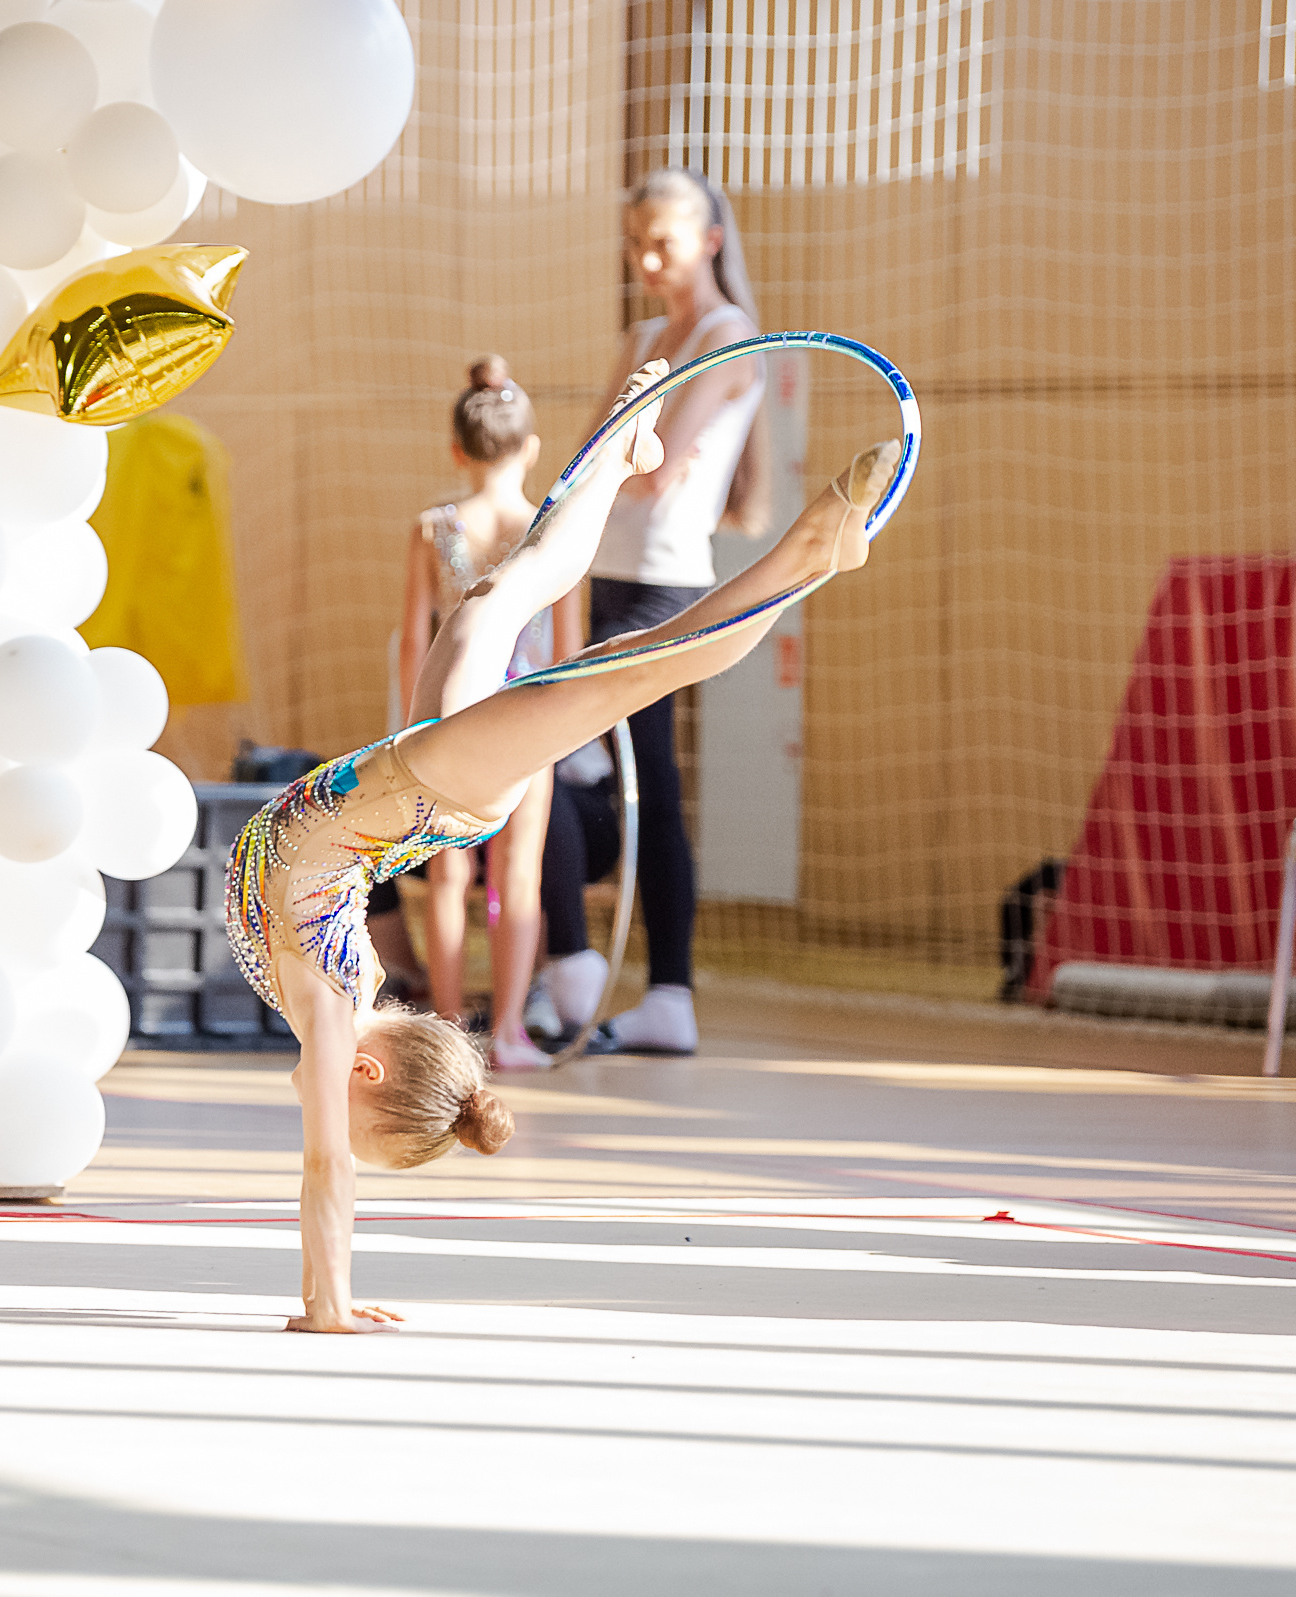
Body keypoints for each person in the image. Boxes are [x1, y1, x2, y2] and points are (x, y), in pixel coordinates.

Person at [226, 356, 899, 1331]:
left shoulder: (330, 1000)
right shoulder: (334, 1006)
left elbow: (333, 1156)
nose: (322, 1115)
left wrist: (329, 1298)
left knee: (501, 590)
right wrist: (327, 1300)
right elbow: (329, 1168)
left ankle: (621, 451)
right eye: (344, 1114)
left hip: (418, 773)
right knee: (628, 670)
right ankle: (807, 554)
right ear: (363, 1075)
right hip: (434, 787)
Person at [536, 166, 768, 1057]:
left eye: (663, 243)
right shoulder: (642, 336)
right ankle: (588, 969)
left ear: (709, 240)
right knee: (595, 771)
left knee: (632, 777)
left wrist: (629, 450)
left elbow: (653, 466)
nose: (647, 261)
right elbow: (587, 462)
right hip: (603, 577)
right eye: (636, 244)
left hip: (665, 588)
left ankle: (636, 982)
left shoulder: (726, 334)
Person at [395, 356, 578, 1069]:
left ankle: (447, 1030)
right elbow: (568, 650)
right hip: (528, 715)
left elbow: (414, 640)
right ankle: (508, 1031)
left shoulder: (434, 527)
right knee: (518, 874)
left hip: (451, 712)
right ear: (530, 449)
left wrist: (412, 724)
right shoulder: (554, 530)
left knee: (450, 872)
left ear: (457, 450)